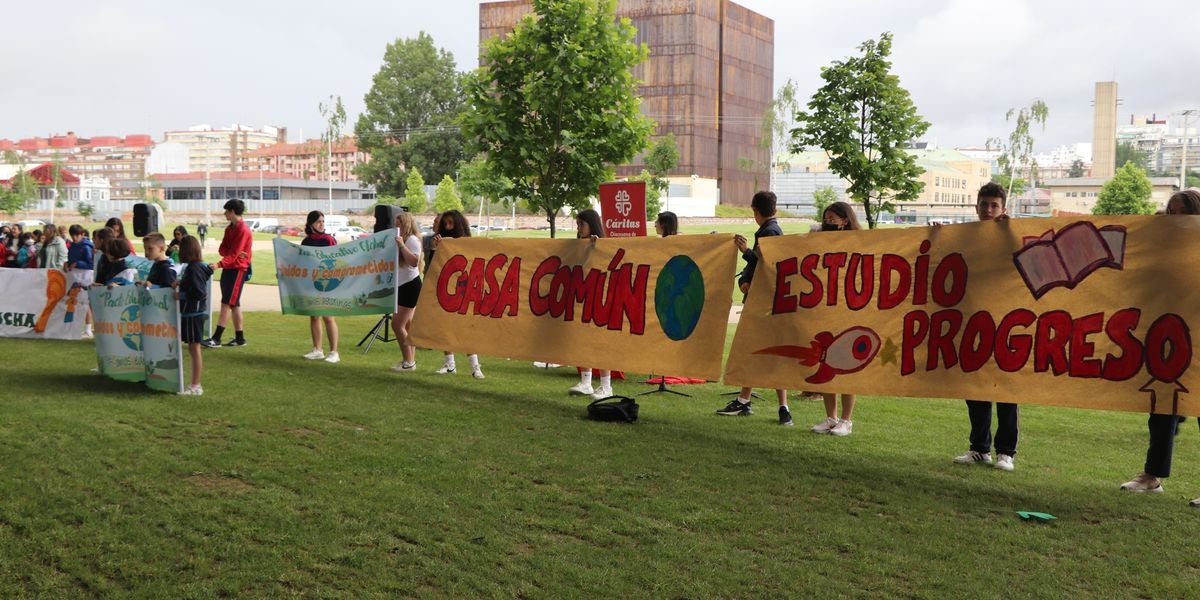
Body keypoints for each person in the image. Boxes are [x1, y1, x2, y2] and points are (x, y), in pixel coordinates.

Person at [1121, 189, 1200, 498]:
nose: (1175, 219)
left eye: (1182, 213)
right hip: (1170, 340)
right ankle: (1152, 475)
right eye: (1171, 213)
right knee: (1162, 410)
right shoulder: (1162, 250)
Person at [949, 182, 1019, 471]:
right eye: (984, 204)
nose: (988, 210)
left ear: (1003, 209)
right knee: (975, 385)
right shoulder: (965, 236)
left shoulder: (1013, 235)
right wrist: (938, 235)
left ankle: (1006, 451)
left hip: (1006, 322)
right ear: (975, 206)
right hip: (972, 322)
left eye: (994, 205)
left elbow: (1026, 260)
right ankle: (980, 448)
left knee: (1005, 387)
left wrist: (1011, 233)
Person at [716, 191, 792, 425]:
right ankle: (757, 402)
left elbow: (765, 264)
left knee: (758, 351)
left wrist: (745, 251)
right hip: (768, 302)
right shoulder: (773, 230)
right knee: (766, 352)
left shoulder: (769, 232)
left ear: (755, 211)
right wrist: (744, 279)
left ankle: (759, 403)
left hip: (763, 304)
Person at [805, 202, 862, 437]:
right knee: (826, 363)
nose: (828, 222)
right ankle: (831, 417)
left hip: (849, 310)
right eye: (825, 218)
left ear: (845, 220)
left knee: (846, 365)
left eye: (832, 218)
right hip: (825, 310)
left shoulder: (859, 243)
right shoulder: (820, 240)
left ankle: (846, 420)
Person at [429, 210, 484, 378]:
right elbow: (434, 266)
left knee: (465, 328)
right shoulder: (438, 241)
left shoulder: (468, 242)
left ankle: (475, 367)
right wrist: (437, 248)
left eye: (451, 223)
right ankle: (449, 364)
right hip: (445, 288)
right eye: (445, 223)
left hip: (464, 289)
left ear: (458, 224)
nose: (447, 227)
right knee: (445, 327)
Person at [567, 209, 615, 399]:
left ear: (592, 225)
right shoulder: (577, 245)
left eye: (582, 224)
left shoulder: (602, 245)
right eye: (577, 224)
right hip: (582, 298)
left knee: (600, 343)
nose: (579, 228)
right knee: (583, 341)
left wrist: (597, 247)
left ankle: (606, 386)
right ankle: (586, 382)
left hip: (599, 301)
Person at [200, 199, 253, 348]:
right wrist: (232, 254)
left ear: (231, 211)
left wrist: (219, 264)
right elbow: (223, 250)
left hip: (237, 270)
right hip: (230, 267)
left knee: (226, 303)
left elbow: (234, 253)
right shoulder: (229, 229)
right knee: (234, 304)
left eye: (226, 211)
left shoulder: (243, 230)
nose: (224, 214)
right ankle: (240, 339)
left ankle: (216, 339)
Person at [300, 211, 341, 364]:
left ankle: (334, 352)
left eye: (323, 221)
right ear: (311, 224)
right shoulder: (306, 242)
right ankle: (317, 349)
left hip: (327, 283)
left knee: (328, 317)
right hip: (312, 283)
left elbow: (336, 261)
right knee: (314, 316)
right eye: (318, 221)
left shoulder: (329, 240)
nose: (321, 224)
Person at [174, 235, 212, 396]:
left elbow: (199, 292)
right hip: (194, 312)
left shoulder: (194, 268)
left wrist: (181, 295)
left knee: (194, 347)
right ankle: (194, 384)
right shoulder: (199, 266)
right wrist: (182, 283)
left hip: (193, 312)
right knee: (192, 347)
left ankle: (196, 385)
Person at [390, 210, 424, 373]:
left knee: (397, 324)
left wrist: (401, 245)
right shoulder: (402, 239)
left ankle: (409, 361)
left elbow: (414, 262)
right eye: (395, 224)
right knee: (408, 326)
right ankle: (409, 360)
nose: (396, 227)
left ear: (406, 224)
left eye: (399, 224)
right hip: (402, 285)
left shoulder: (411, 240)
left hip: (410, 285)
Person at [65, 225, 95, 337]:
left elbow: (91, 264)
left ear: (82, 234)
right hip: (75, 277)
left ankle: (88, 328)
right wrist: (67, 264)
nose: (74, 237)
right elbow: (70, 259)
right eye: (72, 235)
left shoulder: (86, 247)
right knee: (73, 302)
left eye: (77, 235)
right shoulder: (72, 246)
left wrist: (78, 263)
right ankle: (74, 327)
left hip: (85, 277)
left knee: (85, 303)